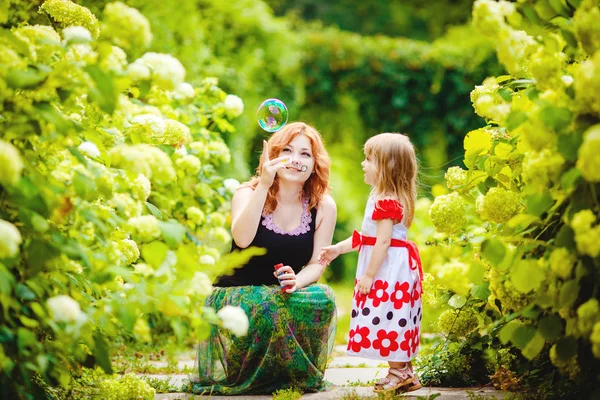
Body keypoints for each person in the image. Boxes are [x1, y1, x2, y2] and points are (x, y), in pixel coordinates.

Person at [188, 122, 338, 395]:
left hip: (284, 293)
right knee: (268, 305)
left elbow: (318, 262)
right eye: (287, 150)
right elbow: (242, 239)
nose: (295, 159)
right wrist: (265, 185)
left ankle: (287, 373)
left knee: (323, 298)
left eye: (305, 154)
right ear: (272, 156)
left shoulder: (323, 205)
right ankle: (250, 370)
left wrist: (297, 280)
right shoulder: (247, 192)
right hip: (238, 293)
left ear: (316, 164)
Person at [319, 133, 423, 393]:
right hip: (392, 269)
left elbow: (383, 242)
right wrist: (337, 249)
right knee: (394, 317)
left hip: (389, 272)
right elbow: (367, 238)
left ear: (388, 167)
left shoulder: (386, 200)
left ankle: (398, 373)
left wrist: (369, 275)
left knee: (391, 317)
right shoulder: (381, 196)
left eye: (369, 159)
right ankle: (404, 371)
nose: (363, 164)